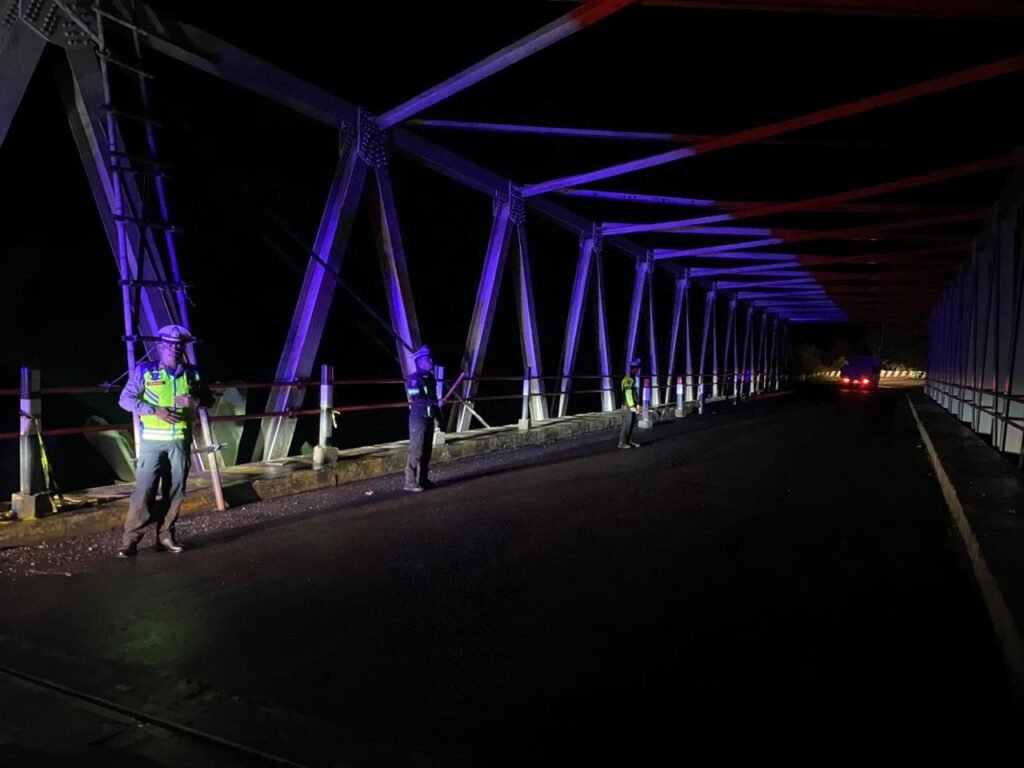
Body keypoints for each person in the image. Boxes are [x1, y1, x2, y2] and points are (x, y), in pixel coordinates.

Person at [117, 324, 213, 557]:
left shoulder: (192, 373)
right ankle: (130, 540)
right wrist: (153, 410)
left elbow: (208, 400)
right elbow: (125, 400)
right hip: (152, 443)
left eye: (179, 345)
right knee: (144, 491)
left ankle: (166, 535)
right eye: (169, 344)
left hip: (180, 441)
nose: (175, 349)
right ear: (160, 346)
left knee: (175, 490)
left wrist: (196, 401)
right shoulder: (145, 371)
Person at [405, 344, 439, 492]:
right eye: (427, 359)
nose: (431, 361)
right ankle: (410, 481)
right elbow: (415, 398)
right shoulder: (414, 379)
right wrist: (435, 402)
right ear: (419, 362)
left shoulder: (430, 378)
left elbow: (433, 396)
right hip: (418, 418)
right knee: (416, 450)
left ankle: (423, 480)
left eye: (430, 358)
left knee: (426, 450)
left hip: (429, 417)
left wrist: (438, 415)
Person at [618, 357, 641, 449]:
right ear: (634, 369)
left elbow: (635, 393)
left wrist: (637, 404)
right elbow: (628, 393)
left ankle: (628, 441)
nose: (638, 371)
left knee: (631, 422)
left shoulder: (632, 379)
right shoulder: (628, 379)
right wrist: (631, 406)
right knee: (627, 422)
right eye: (637, 369)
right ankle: (622, 442)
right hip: (629, 404)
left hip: (632, 403)